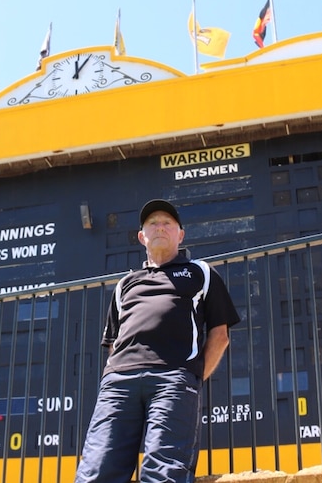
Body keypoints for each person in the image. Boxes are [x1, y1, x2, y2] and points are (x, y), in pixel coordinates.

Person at [75, 199, 241, 483]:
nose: (160, 227)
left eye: (168, 223)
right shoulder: (124, 284)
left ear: (181, 234)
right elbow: (113, 341)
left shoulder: (200, 272)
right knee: (96, 470)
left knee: (164, 472)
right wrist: (117, 372)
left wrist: (194, 377)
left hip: (173, 379)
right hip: (118, 383)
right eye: (153, 223)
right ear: (142, 236)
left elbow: (220, 334)